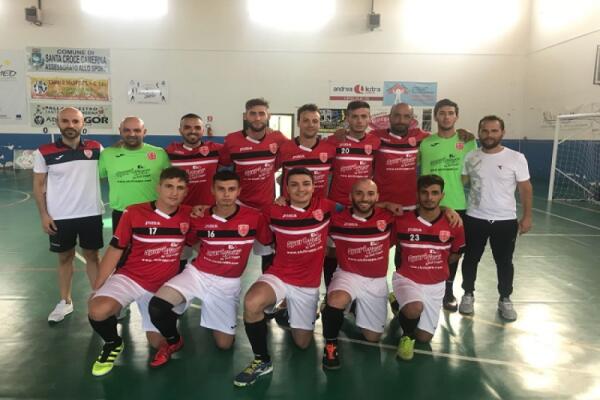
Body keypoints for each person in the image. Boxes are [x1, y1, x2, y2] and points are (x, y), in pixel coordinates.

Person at [146, 171, 272, 367]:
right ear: (212, 190)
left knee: (224, 345)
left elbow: (268, 242)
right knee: (157, 307)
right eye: (221, 189)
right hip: (197, 274)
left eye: (231, 189)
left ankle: (215, 317)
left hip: (227, 284)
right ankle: (174, 340)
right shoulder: (199, 216)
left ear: (239, 191)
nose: (226, 194)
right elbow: (191, 241)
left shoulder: (254, 217)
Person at [233, 168, 336, 387]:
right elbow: (264, 237)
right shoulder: (273, 211)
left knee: (302, 343)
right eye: (294, 185)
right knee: (252, 303)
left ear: (314, 186)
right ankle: (262, 360)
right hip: (280, 275)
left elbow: (358, 209)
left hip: (307, 285)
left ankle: (289, 307)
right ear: (286, 188)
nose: (301, 189)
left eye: (306, 183)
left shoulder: (326, 207)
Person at [87, 167, 191, 377]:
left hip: (162, 286)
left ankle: (170, 338)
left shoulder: (189, 214)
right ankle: (113, 343)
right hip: (131, 277)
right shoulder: (134, 212)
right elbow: (115, 250)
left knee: (157, 342)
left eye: (180, 188)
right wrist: (97, 287)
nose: (174, 192)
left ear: (186, 191)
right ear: (158, 188)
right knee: (97, 310)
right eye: (169, 186)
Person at [32, 107, 104, 323]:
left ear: (83, 123)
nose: (70, 125)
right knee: (65, 258)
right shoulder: (43, 152)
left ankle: (100, 299)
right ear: (58, 123)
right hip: (60, 216)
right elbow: (38, 185)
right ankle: (65, 301)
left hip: (91, 213)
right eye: (65, 121)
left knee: (93, 256)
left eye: (75, 121)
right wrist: (44, 215)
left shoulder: (96, 148)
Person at [459, 115, 533, 321]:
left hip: (505, 221)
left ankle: (505, 298)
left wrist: (527, 216)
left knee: (504, 262)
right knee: (470, 259)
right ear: (479, 132)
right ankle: (468, 294)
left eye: (494, 131)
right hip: (475, 218)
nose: (489, 135)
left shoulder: (516, 158)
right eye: (485, 131)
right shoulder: (470, 156)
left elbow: (525, 188)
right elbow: (460, 183)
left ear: (502, 132)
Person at [321, 179, 395, 369]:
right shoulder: (337, 219)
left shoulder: (388, 217)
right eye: (359, 193)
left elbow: (422, 213)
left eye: (370, 194)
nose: (364, 198)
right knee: (336, 300)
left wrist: (447, 210)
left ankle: (353, 305)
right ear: (350, 196)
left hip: (376, 280)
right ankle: (330, 345)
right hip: (348, 275)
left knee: (372, 338)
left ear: (377, 197)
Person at [393, 175, 465, 360]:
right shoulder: (402, 221)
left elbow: (455, 254)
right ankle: (407, 337)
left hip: (435, 284)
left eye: (434, 193)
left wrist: (432, 264)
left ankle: (396, 303)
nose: (429, 197)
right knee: (414, 309)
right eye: (424, 193)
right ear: (417, 194)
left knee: (424, 337)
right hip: (408, 278)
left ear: (442, 195)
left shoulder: (454, 224)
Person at [419, 99, 476, 311]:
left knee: (453, 253)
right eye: (442, 113)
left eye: (450, 113)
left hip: (457, 204)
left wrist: (454, 187)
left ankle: (448, 290)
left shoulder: (468, 142)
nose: (446, 117)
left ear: (456, 116)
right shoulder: (425, 143)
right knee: (424, 249)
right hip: (427, 205)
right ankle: (420, 287)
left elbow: (470, 173)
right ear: (435, 116)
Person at [220, 98, 289, 272]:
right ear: (245, 116)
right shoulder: (232, 140)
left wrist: (285, 193)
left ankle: (267, 288)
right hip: (239, 205)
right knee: (232, 253)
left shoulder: (277, 138)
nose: (257, 118)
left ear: (268, 116)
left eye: (261, 114)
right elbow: (221, 164)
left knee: (268, 254)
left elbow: (295, 156)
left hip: (266, 207)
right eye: (253, 114)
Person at [323, 101, 382, 291]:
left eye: (363, 116)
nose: (359, 121)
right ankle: (330, 293)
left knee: (359, 250)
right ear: (347, 118)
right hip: (338, 205)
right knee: (332, 252)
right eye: (355, 116)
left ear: (369, 119)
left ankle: (357, 292)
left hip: (363, 206)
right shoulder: (334, 141)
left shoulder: (375, 142)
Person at [99, 116, 170, 233]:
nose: (132, 134)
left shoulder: (159, 153)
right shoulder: (107, 154)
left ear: (144, 132)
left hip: (151, 211)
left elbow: (169, 181)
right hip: (121, 213)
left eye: (137, 130)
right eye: (127, 130)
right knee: (121, 245)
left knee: (151, 245)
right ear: (120, 131)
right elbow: (98, 178)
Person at [372, 103, 429, 209]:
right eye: (397, 115)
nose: (401, 120)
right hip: (382, 203)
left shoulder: (421, 136)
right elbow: (355, 138)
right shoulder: (375, 136)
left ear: (411, 119)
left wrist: (460, 134)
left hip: (411, 203)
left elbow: (442, 137)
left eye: (406, 116)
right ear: (389, 117)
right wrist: (342, 132)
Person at [277, 103, 336, 200]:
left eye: (315, 121)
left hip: (319, 207)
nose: (311, 125)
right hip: (291, 206)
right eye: (306, 120)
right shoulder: (285, 148)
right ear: (298, 123)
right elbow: (269, 174)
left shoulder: (330, 149)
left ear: (319, 124)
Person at [165, 113, 223, 207]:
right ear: (180, 131)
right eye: (187, 127)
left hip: (208, 209)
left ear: (203, 131)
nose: (193, 131)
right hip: (179, 209)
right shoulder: (170, 152)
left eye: (197, 128)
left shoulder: (215, 149)